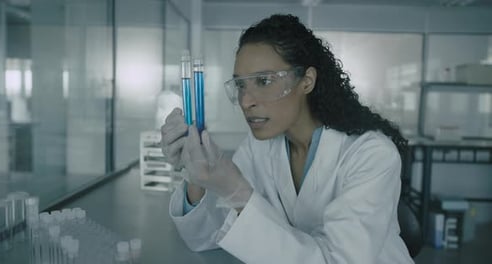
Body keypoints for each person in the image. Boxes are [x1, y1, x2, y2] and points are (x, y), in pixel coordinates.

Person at [161, 14, 414, 264]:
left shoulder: (371, 154)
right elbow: (208, 238)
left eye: (264, 81)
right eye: (241, 85)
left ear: (306, 81)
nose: (246, 101)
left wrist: (239, 193)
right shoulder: (258, 147)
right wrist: (196, 177)